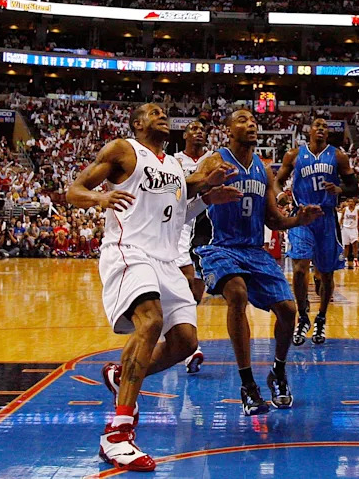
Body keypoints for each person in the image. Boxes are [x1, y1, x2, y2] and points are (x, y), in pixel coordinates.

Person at [66, 103, 237, 471]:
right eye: (153, 111)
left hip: (166, 260)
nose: (162, 114)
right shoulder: (123, 150)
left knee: (186, 342)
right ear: (137, 122)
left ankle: (121, 374)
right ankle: (117, 435)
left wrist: (209, 193)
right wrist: (100, 197)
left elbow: (180, 205)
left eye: (165, 111)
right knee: (149, 322)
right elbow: (73, 190)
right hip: (129, 251)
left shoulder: (174, 166)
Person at [195, 109, 324, 415]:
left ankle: (277, 372)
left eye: (253, 120)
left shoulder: (263, 170)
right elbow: (188, 193)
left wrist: (297, 220)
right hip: (218, 246)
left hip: (253, 249)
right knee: (237, 294)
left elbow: (274, 219)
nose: (251, 124)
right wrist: (207, 189)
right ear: (228, 130)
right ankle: (248, 385)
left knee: (289, 310)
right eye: (241, 119)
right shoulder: (215, 161)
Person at [275, 117, 359, 346]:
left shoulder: (338, 156)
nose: (321, 129)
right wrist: (281, 196)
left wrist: (340, 189)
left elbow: (354, 187)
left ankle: (321, 317)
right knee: (300, 269)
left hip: (326, 218)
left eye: (324, 127)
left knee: (326, 274)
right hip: (302, 218)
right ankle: (302, 316)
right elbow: (277, 181)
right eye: (317, 126)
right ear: (309, 131)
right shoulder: (294, 155)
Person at [173, 119, 217, 374]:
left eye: (203, 129)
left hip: (206, 228)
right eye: (194, 129)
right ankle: (190, 348)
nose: (199, 132)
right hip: (181, 226)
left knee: (196, 293)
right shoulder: (175, 161)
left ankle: (179, 338)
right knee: (186, 283)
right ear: (185, 135)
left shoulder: (213, 159)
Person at [339, 197, 359, 270]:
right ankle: (345, 260)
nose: (350, 203)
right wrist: (340, 228)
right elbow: (341, 219)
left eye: (352, 202)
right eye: (349, 201)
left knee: (355, 244)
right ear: (347, 202)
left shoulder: (357, 210)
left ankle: (355, 259)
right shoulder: (344, 210)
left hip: (353, 228)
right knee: (346, 245)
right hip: (345, 228)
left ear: (354, 203)